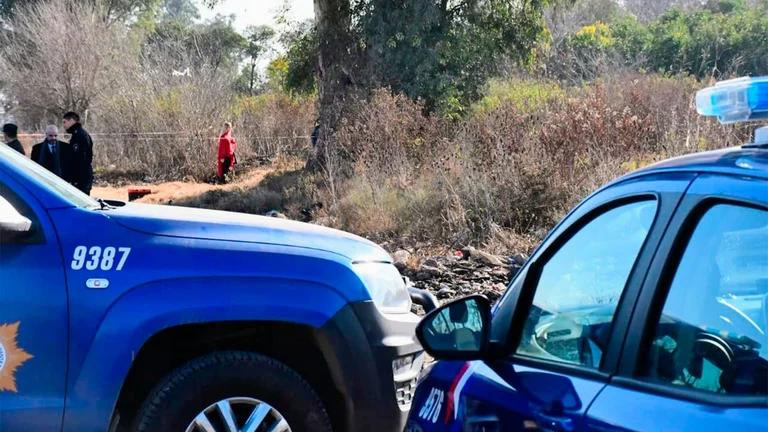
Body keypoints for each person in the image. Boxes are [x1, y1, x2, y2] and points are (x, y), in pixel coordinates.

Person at [62, 112, 94, 195]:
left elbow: (83, 160)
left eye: (65, 122)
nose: (64, 125)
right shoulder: (76, 135)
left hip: (82, 178)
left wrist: (77, 180)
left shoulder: (81, 136)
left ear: (72, 121)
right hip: (79, 177)